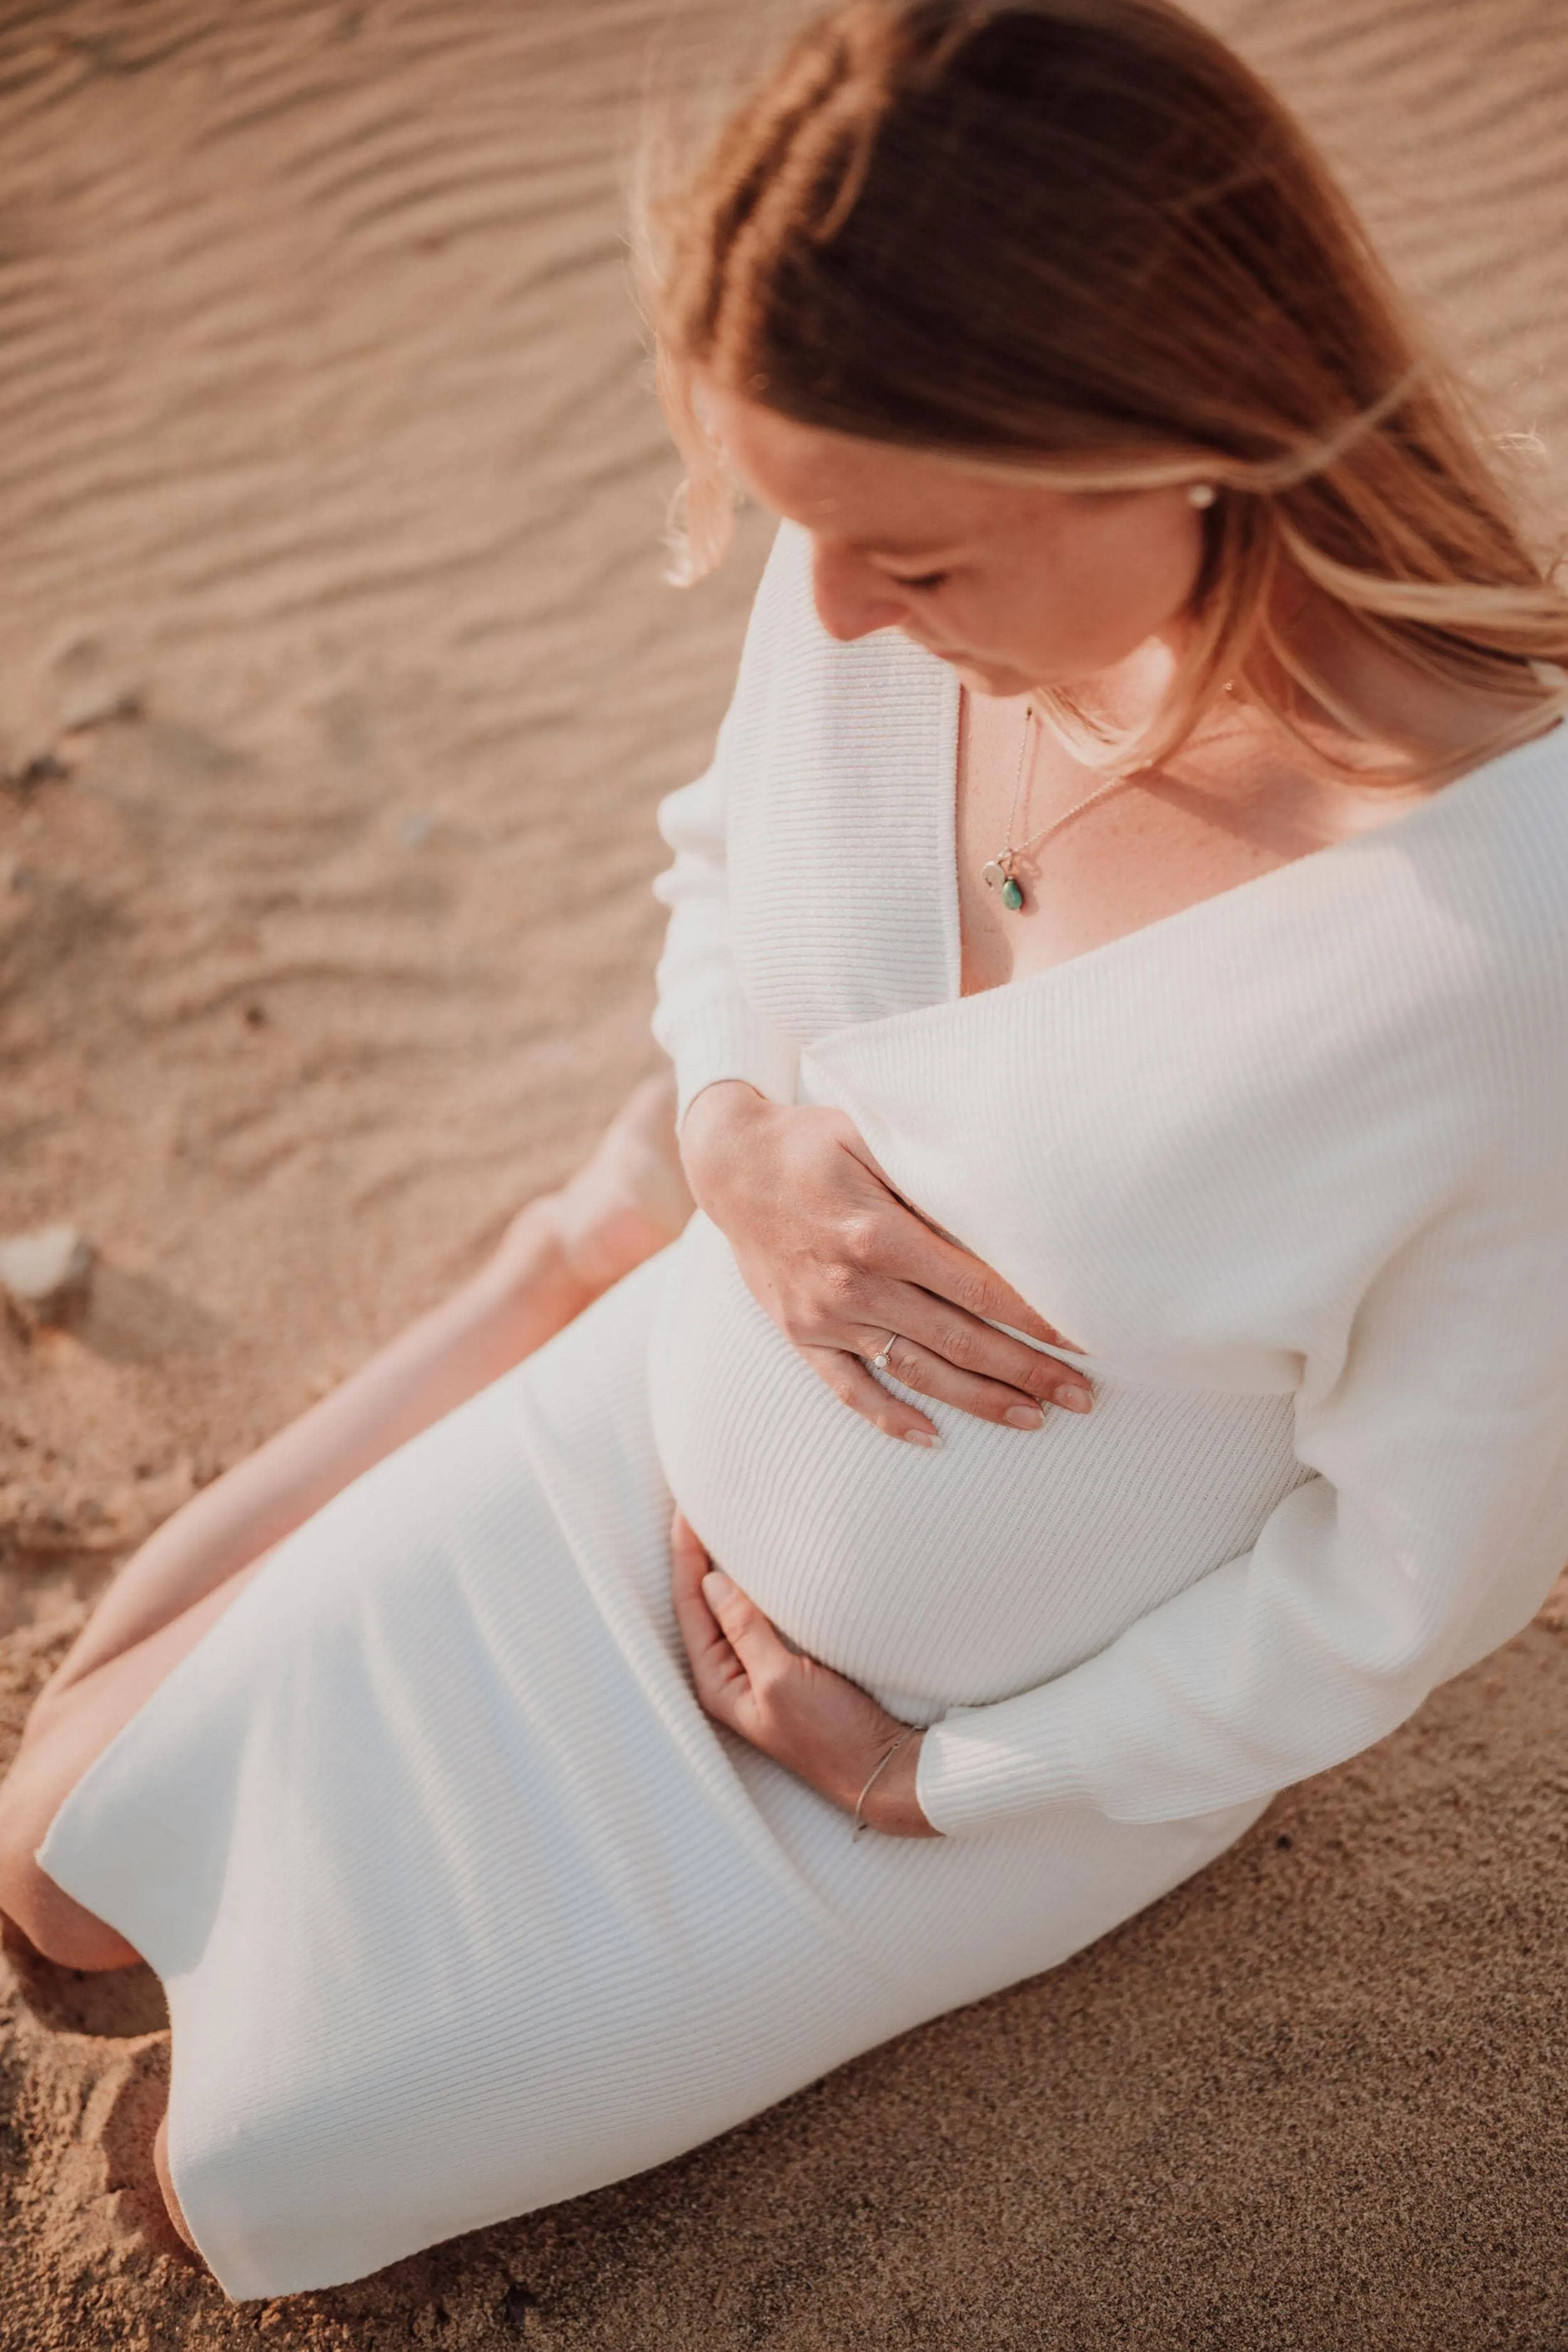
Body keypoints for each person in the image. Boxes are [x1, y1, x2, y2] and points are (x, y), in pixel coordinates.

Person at [3, 0, 1567, 2301]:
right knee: (49, 1883)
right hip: (621, 1438)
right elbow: (729, 861)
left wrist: (925, 1786)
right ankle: (574, 1255)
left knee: (228, 2183)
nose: (831, 608)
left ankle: (578, 1263)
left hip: (889, 1773)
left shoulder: (1499, 952)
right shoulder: (885, 552)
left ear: (1181, 436)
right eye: (795, 525)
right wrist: (730, 1135)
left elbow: (1396, 1594)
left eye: (906, 559)